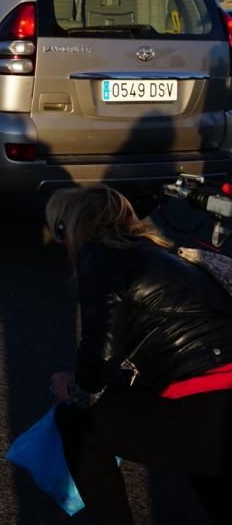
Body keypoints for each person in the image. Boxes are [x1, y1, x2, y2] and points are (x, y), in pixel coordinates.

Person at [46, 185, 232, 525]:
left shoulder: (99, 256)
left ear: (67, 229)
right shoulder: (162, 255)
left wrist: (74, 388)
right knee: (203, 461)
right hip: (220, 402)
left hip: (203, 405)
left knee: (78, 423)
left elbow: (100, 354)